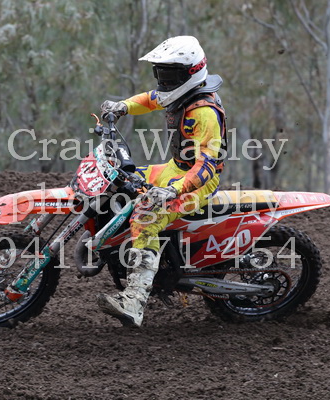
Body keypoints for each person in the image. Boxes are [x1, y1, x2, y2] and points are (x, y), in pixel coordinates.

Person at [97, 36, 227, 327]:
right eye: (160, 72)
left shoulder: (204, 112)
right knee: (119, 181)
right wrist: (121, 107)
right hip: (174, 168)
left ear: (191, 73)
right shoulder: (180, 94)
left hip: (197, 182)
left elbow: (206, 166)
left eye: (169, 74)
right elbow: (149, 99)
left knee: (146, 216)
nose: (163, 80)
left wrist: (173, 190)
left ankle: (134, 302)